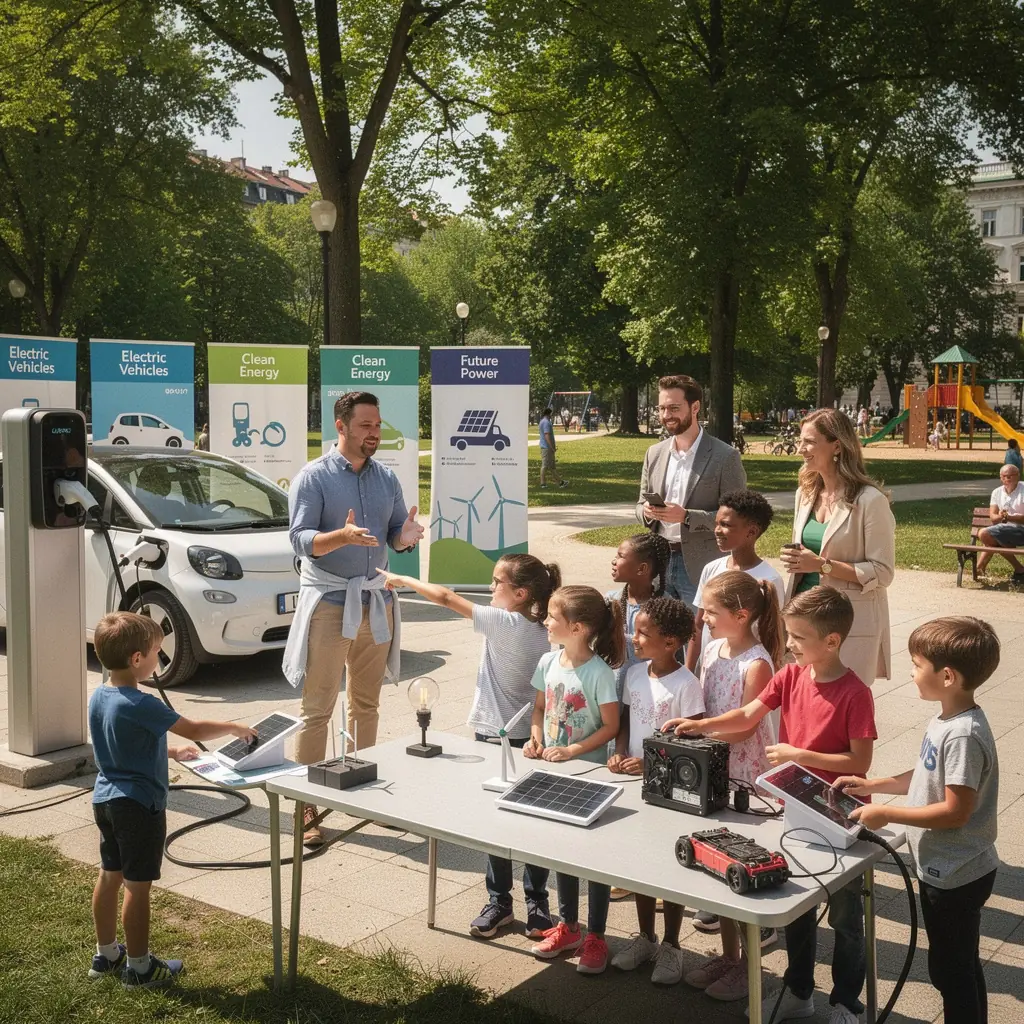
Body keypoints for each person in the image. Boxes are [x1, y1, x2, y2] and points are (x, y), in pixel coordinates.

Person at [667, 586, 876, 1023]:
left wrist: (801, 755)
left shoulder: (855, 693)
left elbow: (858, 761)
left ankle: (846, 1004)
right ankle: (800, 993)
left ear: (832, 641)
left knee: (844, 919)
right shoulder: (791, 675)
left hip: (840, 815)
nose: (791, 644)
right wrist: (701, 725)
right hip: (796, 809)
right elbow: (746, 716)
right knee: (798, 908)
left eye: (798, 637)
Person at [377, 556, 560, 939]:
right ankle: (536, 903)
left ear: (520, 594)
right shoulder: (545, 627)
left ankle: (501, 902)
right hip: (535, 738)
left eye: (497, 583)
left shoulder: (504, 622)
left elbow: (444, 597)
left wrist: (403, 578)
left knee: (498, 822)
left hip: (501, 740)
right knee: (533, 823)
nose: (490, 588)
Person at [834, 616, 1000, 1024]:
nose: (910, 671)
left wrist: (884, 813)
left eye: (916, 664)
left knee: (951, 971)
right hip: (948, 868)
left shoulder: (962, 734)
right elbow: (924, 775)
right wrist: (872, 783)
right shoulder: (947, 719)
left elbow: (954, 810)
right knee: (958, 965)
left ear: (946, 675)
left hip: (957, 874)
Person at [284, 391, 424, 847]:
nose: (375, 433)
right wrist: (339, 537)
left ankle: (364, 794)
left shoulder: (386, 479)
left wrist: (405, 538)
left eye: (378, 425)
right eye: (365, 425)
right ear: (341, 426)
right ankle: (304, 808)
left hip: (375, 601)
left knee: (367, 705)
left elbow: (395, 536)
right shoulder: (313, 477)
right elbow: (300, 539)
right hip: (328, 603)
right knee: (318, 709)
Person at [88, 612, 255, 988]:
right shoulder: (141, 702)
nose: (158, 660)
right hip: (138, 806)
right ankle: (141, 967)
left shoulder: (100, 695)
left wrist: (173, 751)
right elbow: (194, 728)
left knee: (109, 875)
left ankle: (106, 954)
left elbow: (124, 742)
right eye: (156, 653)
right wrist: (234, 726)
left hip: (106, 800)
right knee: (137, 885)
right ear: (136, 660)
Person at [680, 571, 785, 993]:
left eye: (711, 611)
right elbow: (706, 705)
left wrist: (698, 731)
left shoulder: (757, 663)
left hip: (743, 778)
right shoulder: (712, 650)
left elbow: (744, 728)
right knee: (716, 865)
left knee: (741, 869)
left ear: (741, 615)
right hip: (713, 770)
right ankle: (728, 957)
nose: (702, 617)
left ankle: (751, 966)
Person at [525, 586, 624, 974]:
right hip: (553, 776)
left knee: (594, 862)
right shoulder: (548, 661)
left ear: (578, 627)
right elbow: (537, 709)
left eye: (552, 617)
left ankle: (597, 937)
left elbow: (611, 727)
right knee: (563, 854)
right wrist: (536, 738)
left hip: (589, 779)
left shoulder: (599, 673)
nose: (545, 622)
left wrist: (572, 750)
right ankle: (569, 926)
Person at [607, 597, 704, 985]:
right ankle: (645, 937)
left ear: (671, 642)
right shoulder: (633, 674)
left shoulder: (687, 684)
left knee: (669, 867)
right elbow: (626, 724)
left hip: (668, 791)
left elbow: (693, 744)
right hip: (634, 786)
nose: (634, 637)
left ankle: (672, 945)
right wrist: (618, 752)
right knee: (640, 864)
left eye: (644, 633)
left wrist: (652, 765)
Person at [779, 408, 895, 688]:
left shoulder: (870, 501)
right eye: (801, 440)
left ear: (836, 446)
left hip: (846, 624)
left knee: (839, 711)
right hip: (804, 621)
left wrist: (821, 565)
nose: (801, 449)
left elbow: (883, 573)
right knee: (802, 705)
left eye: (809, 442)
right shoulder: (804, 495)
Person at [635, 374, 747, 604]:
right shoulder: (654, 453)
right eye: (662, 408)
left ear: (695, 407)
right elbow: (638, 506)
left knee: (699, 638)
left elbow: (738, 518)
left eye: (674, 408)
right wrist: (646, 512)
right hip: (658, 562)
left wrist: (686, 517)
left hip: (702, 566)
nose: (666, 416)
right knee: (658, 638)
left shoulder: (725, 457)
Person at [685, 489, 784, 673]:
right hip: (710, 665)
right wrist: (689, 671)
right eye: (716, 524)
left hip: (745, 670)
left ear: (751, 531)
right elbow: (698, 625)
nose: (717, 530)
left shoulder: (769, 578)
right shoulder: (711, 569)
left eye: (726, 525)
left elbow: (772, 636)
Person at [607, 531, 672, 700]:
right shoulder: (610, 600)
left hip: (649, 692)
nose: (614, 561)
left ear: (642, 568)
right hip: (614, 690)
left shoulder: (665, 606)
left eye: (621, 556)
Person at [977, 463, 1024, 578]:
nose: (1006, 479)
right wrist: (1002, 517)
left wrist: (1008, 517)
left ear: (1018, 475)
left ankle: (979, 568)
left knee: (984, 534)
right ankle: (1019, 569)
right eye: (1003, 476)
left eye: (1010, 476)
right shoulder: (997, 492)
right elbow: (993, 518)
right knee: (991, 539)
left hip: (1021, 530)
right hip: (1002, 530)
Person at [538, 406, 568, 489]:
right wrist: (552, 447)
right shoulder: (546, 423)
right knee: (545, 465)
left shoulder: (542, 421)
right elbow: (547, 435)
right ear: (549, 414)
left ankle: (560, 482)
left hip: (546, 447)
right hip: (546, 448)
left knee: (552, 467)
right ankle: (543, 483)